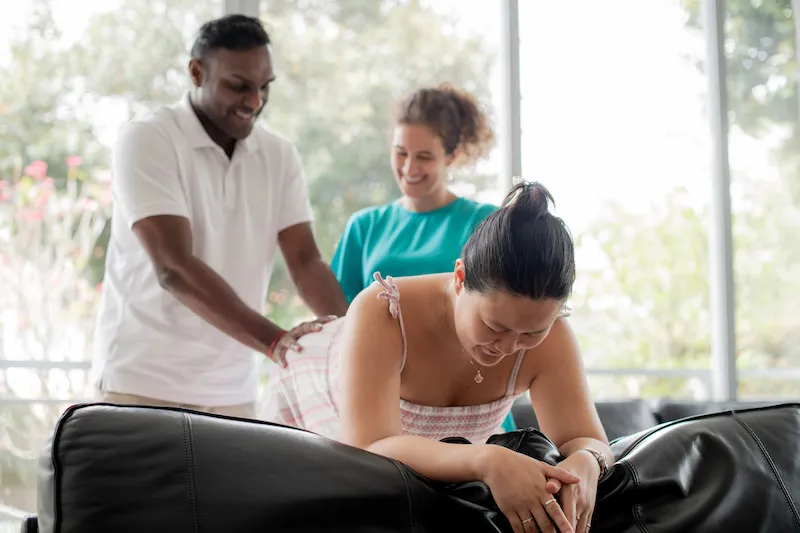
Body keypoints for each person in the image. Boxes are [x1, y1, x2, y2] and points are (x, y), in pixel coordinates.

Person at [261, 181, 612, 533]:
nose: (507, 347)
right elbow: (366, 446)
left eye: (531, 334)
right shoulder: (383, 311)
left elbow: (587, 438)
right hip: (318, 403)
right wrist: (486, 458)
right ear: (460, 277)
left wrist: (586, 462)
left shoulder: (554, 337)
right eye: (495, 326)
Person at [91, 14, 348, 418]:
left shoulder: (279, 155)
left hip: (232, 392)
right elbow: (174, 267)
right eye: (239, 86)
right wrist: (276, 341)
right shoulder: (149, 137)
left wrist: (351, 337)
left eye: (265, 87)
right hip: (139, 386)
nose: (255, 101)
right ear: (197, 72)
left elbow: (305, 261)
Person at [330, 83, 517, 432]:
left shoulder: (487, 223)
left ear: (452, 155)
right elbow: (339, 319)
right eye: (400, 153)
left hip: (476, 411)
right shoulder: (365, 226)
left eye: (425, 156)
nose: (409, 167)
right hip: (388, 411)